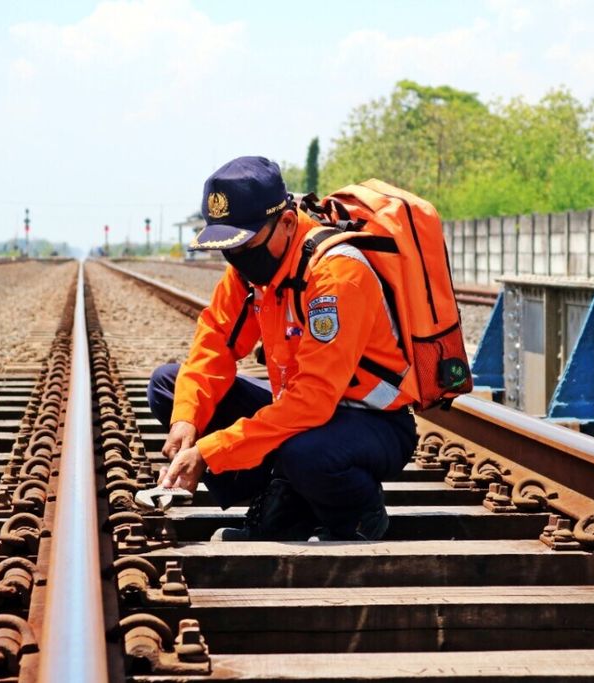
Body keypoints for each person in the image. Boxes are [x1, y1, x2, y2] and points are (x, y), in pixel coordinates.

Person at [149, 155, 417, 541]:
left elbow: (313, 401)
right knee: (168, 386)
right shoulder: (251, 269)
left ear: (287, 223)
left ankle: (358, 513)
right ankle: (283, 497)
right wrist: (186, 422)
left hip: (371, 422)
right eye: (228, 246)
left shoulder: (336, 275)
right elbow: (215, 344)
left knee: (304, 452)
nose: (236, 257)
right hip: (302, 411)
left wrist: (211, 450)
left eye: (244, 243)